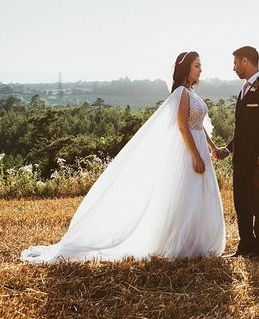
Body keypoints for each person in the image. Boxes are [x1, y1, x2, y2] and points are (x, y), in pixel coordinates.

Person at [21, 51, 226, 263]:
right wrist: (195, 156)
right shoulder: (182, 93)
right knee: (187, 197)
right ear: (186, 68)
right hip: (188, 151)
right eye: (197, 65)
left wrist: (211, 148)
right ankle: (182, 245)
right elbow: (183, 127)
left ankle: (197, 242)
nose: (200, 69)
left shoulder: (192, 93)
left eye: (200, 65)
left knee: (198, 196)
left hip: (200, 147)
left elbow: (199, 125)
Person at [215, 46, 259, 259]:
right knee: (241, 205)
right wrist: (229, 147)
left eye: (235, 62)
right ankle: (245, 246)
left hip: (258, 162)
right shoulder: (244, 89)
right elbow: (243, 129)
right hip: (240, 159)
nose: (233, 67)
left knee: (258, 204)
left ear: (245, 61)